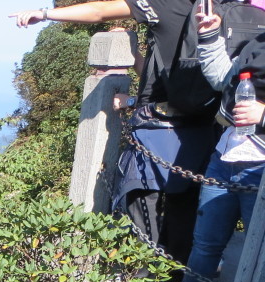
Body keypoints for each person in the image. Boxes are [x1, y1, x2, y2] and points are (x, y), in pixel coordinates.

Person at [12, 1, 216, 266]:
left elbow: (99, 11)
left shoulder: (164, 4)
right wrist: (136, 57)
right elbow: (166, 79)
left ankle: (143, 275)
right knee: (184, 208)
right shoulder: (217, 11)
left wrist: (44, 14)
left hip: (156, 131)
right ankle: (178, 278)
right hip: (202, 128)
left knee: (142, 204)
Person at [155, 5, 265, 282]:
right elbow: (222, 79)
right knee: (204, 244)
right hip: (226, 156)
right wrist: (210, 36)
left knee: (257, 254)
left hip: (259, 167)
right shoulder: (257, 44)